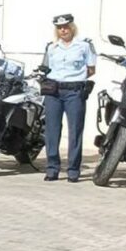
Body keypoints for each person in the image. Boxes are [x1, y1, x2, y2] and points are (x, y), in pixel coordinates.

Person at [41, 13, 96, 183]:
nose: (63, 30)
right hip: (54, 91)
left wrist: (75, 79)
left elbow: (91, 69)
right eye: (59, 28)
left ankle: (73, 170)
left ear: (72, 28)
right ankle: (52, 168)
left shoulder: (84, 46)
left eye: (66, 27)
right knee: (52, 130)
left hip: (74, 92)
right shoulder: (51, 47)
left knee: (75, 131)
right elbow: (46, 68)